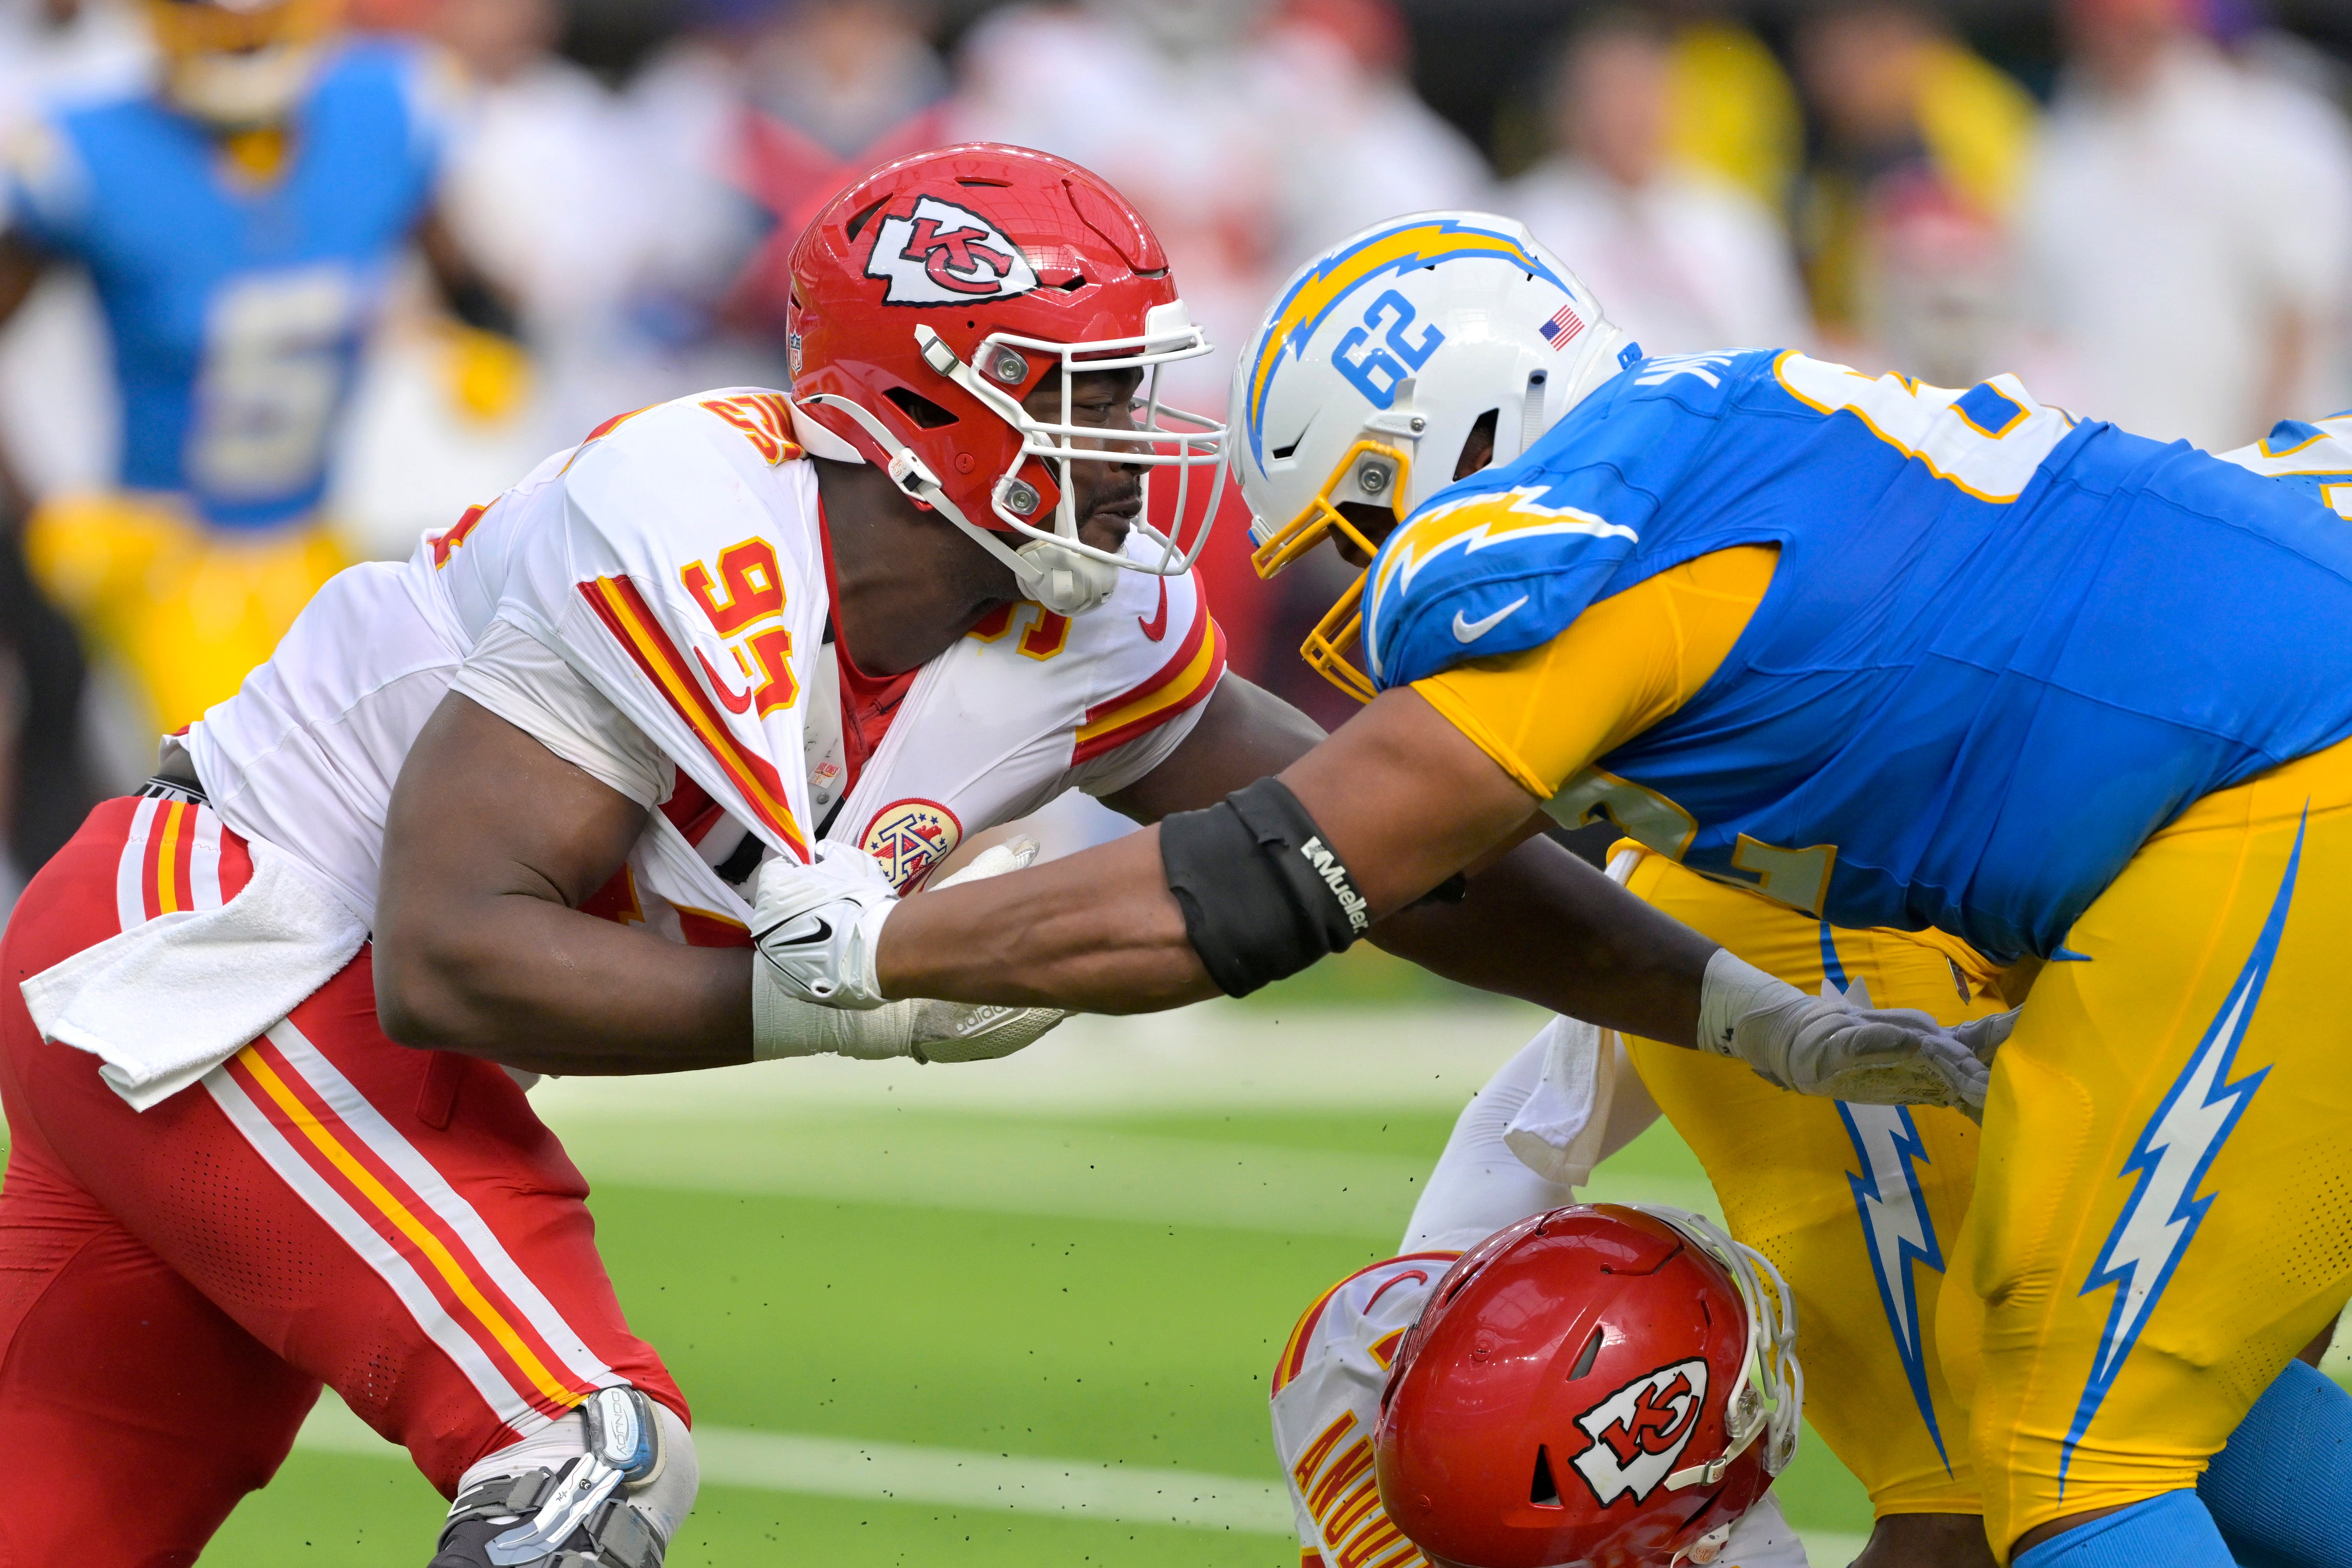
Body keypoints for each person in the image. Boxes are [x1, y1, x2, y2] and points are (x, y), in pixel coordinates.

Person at [0, 150, 1975, 1567]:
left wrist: (1734, 1006)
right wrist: (825, 997)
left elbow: (1386, 843)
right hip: (222, 961)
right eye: (1091, 387)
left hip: (279, 1018)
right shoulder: (690, 508)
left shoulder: (1068, 614)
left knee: (65, 1512)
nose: (1139, 436)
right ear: (926, 397)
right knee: (581, 1452)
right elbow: (450, 955)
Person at [753, 209, 2352, 1568]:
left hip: (2281, 785)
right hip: (2228, 790)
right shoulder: (1719, 453)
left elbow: (1283, 878)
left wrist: (876, 947)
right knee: (2118, 1367)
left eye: (1356, 521)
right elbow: (1544, 957)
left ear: (1446, 447)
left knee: (2071, 1455)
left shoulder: (1582, 551)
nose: (1355, 578)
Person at [0, 0, 520, 736]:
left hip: (322, 549)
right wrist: (42, 515)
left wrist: (476, 343)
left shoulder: (386, 111)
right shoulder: (87, 150)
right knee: (224, 808)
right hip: (165, 562)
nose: (238, 27)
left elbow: (476, 288)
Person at [2017, 0, 2352, 451]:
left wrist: (2262, 467)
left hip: (2239, 471)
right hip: (2109, 478)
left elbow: (2304, 318)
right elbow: (2041, 325)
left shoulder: (2271, 129)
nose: (2113, 34)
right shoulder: (2060, 144)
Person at [1504, 7, 1810, 359]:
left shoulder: (1731, 219)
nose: (1627, 110)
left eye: (1642, 88)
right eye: (1608, 91)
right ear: (1566, 108)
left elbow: (1782, 348)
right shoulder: (1522, 228)